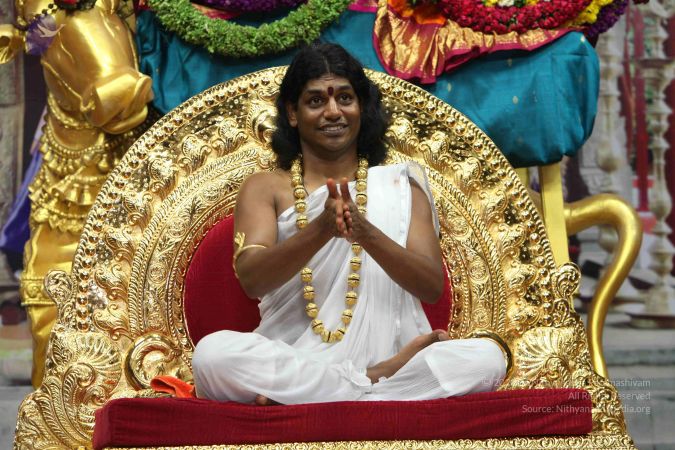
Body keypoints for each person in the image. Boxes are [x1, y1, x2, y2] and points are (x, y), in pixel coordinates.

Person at [192, 43, 506, 405]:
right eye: (315, 101)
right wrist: (320, 229)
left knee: (487, 361)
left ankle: (316, 393)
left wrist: (365, 233)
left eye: (345, 98)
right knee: (212, 356)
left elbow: (431, 286)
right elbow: (252, 280)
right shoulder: (266, 187)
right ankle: (371, 380)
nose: (333, 112)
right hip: (296, 357)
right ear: (292, 113)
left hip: (387, 358)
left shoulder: (401, 186)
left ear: (362, 107)